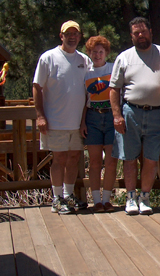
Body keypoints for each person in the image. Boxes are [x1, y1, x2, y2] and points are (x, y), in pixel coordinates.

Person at [109, 17, 160, 215]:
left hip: (156, 114)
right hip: (130, 113)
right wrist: (117, 115)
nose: (140, 35)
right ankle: (130, 198)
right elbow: (114, 88)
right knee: (129, 158)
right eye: (136, 33)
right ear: (131, 36)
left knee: (151, 158)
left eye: (143, 31)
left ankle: (145, 197)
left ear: (151, 31)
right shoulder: (124, 57)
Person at [33, 20, 91, 214]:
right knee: (58, 159)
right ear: (61, 36)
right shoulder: (48, 58)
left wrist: (84, 119)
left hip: (77, 123)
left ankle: (68, 195)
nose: (72, 37)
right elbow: (37, 87)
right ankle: (56, 198)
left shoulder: (84, 60)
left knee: (74, 158)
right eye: (68, 34)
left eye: (75, 33)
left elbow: (88, 91)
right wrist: (40, 116)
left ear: (80, 37)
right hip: (55, 121)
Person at [80, 36, 117, 213]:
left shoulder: (112, 69)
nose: (97, 55)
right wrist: (82, 123)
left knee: (110, 162)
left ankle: (107, 200)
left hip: (110, 117)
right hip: (92, 119)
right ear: (89, 53)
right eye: (94, 52)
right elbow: (83, 101)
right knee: (94, 162)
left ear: (106, 53)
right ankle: (96, 201)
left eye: (101, 51)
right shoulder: (86, 73)